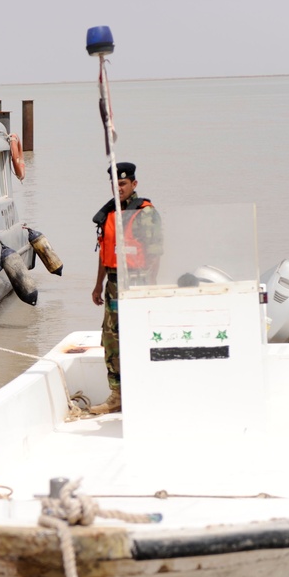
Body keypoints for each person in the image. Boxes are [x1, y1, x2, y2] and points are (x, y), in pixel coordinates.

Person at [89, 162, 163, 415]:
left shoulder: (145, 212)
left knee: (139, 337)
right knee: (111, 340)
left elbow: (155, 253)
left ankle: (145, 392)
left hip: (137, 282)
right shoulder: (109, 212)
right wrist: (97, 285)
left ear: (133, 184)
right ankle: (117, 395)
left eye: (122, 184)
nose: (118, 188)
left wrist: (150, 289)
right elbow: (104, 253)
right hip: (112, 284)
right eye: (115, 184)